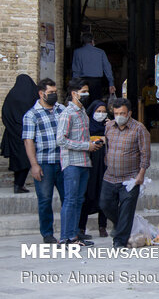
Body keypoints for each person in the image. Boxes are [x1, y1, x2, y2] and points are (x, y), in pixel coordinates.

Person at [57, 78, 102, 246]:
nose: (86, 94)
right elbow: (61, 140)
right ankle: (65, 237)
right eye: (83, 91)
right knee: (70, 199)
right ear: (74, 93)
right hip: (72, 163)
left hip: (84, 162)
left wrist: (93, 144)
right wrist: (86, 145)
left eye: (87, 91)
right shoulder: (67, 113)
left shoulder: (83, 112)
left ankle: (74, 235)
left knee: (78, 200)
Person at [100, 98, 150, 249]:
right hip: (110, 176)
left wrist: (141, 174)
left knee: (127, 210)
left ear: (129, 113)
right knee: (105, 204)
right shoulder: (109, 126)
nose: (119, 116)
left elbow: (145, 153)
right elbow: (107, 147)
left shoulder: (139, 129)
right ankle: (121, 224)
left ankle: (119, 242)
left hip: (130, 178)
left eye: (122, 113)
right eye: (116, 113)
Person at [22, 78, 66, 243]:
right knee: (45, 199)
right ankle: (47, 233)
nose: (54, 95)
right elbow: (28, 141)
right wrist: (34, 165)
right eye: (51, 93)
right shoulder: (31, 115)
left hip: (63, 160)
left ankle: (70, 231)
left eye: (55, 92)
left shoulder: (61, 110)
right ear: (41, 94)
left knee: (68, 198)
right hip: (44, 162)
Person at [77, 100, 109, 239]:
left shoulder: (109, 126)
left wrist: (109, 128)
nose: (101, 114)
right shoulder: (86, 125)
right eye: (98, 111)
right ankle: (81, 228)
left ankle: (102, 226)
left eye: (103, 111)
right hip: (89, 164)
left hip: (104, 165)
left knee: (103, 194)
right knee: (86, 194)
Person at [1, 74, 38, 193]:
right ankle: (19, 184)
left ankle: (18, 184)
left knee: (17, 160)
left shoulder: (11, 96)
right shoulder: (33, 95)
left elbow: (5, 114)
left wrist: (12, 128)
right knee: (28, 158)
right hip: (28, 133)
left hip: (12, 134)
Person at [71, 33, 115, 101]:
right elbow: (107, 68)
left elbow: (76, 71)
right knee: (96, 104)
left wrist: (74, 86)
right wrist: (111, 83)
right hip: (96, 83)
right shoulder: (100, 52)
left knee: (84, 103)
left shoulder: (77, 52)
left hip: (83, 83)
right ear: (92, 41)